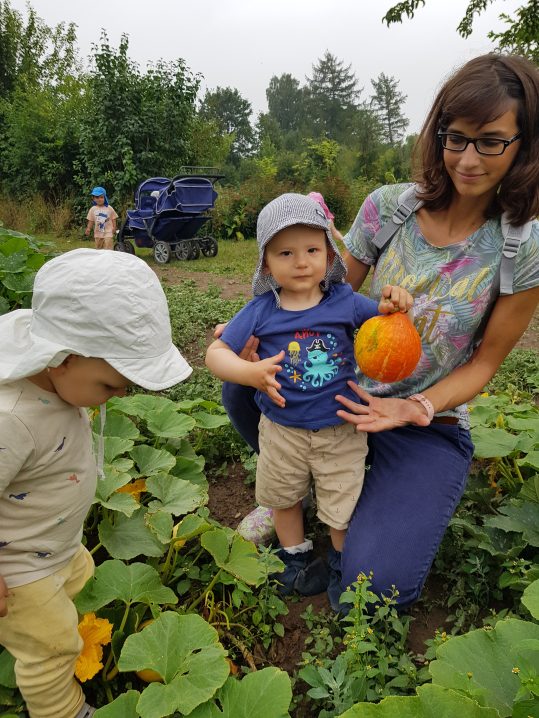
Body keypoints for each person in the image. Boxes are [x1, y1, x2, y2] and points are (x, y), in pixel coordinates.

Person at [217, 53, 539, 612]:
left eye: (491, 141)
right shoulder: (387, 209)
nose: (467, 158)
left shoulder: (524, 245)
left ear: (524, 144)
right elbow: (324, 295)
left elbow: (484, 363)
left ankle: (354, 496)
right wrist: (253, 342)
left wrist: (414, 406)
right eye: (455, 137)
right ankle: (292, 487)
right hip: (335, 398)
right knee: (242, 384)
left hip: (421, 422)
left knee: (370, 591)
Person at [0, 249, 192, 718]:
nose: (121, 393)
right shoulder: (12, 419)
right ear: (61, 359)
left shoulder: (61, 381)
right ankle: (59, 708)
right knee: (50, 648)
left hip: (56, 546)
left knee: (84, 584)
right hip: (20, 567)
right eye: (111, 386)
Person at [206, 193, 412, 596]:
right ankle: (294, 559)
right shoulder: (261, 309)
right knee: (282, 497)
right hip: (282, 430)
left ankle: (340, 564)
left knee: (342, 506)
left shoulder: (346, 301)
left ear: (330, 255)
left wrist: (393, 302)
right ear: (266, 262)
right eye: (285, 252)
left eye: (312, 249)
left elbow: (386, 322)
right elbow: (216, 353)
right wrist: (249, 372)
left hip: (340, 431)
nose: (301, 262)